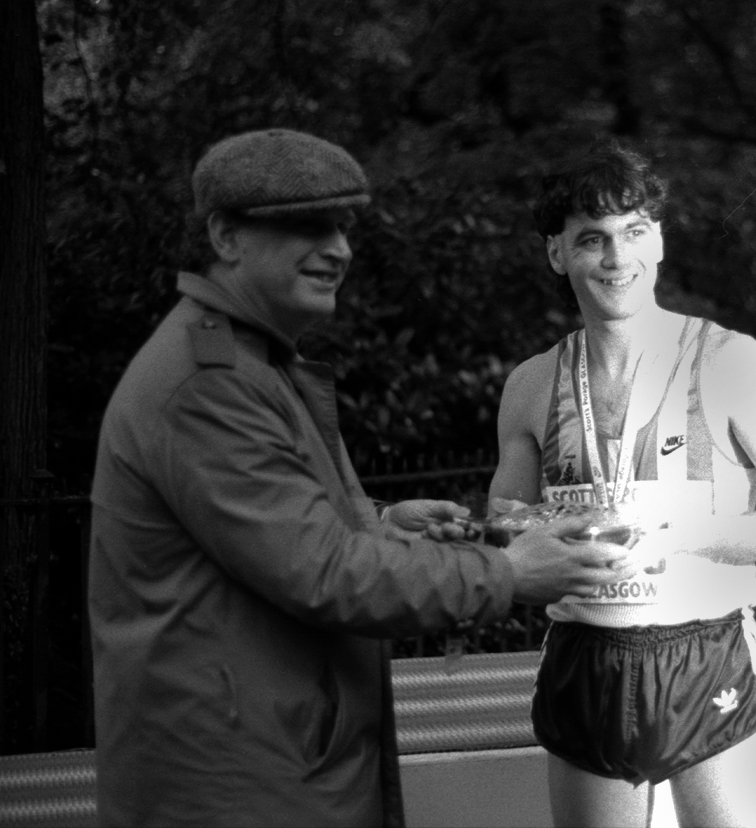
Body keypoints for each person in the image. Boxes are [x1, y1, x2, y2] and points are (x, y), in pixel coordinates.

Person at [88, 128, 638, 828]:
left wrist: (380, 523)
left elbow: (274, 533)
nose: (339, 248)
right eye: (307, 227)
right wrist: (507, 575)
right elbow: (320, 572)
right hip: (239, 787)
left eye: (344, 226)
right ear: (226, 236)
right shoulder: (209, 384)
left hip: (273, 763)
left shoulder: (254, 363)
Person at [489, 139, 756, 827]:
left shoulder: (732, 362)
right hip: (588, 655)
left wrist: (675, 533)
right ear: (558, 254)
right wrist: (525, 529)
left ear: (659, 243)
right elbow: (506, 516)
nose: (618, 260)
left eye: (635, 232)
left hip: (705, 652)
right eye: (592, 239)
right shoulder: (530, 385)